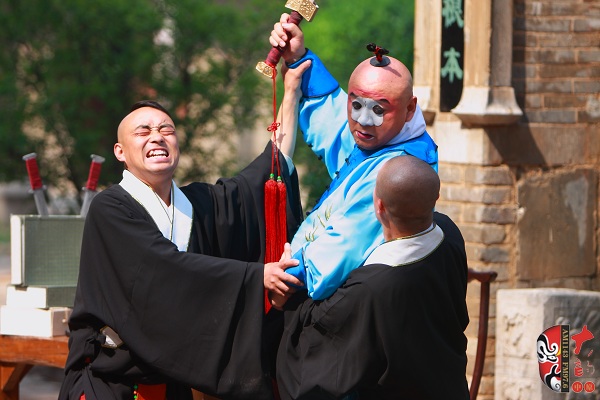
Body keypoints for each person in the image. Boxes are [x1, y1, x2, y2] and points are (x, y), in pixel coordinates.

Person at [58, 99, 307, 400]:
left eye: (166, 130)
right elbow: (162, 268)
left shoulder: (199, 205)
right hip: (111, 383)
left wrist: (290, 92)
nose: (157, 137)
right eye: (143, 131)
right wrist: (256, 277)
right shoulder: (109, 208)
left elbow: (265, 171)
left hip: (172, 384)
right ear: (120, 152)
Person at [268, 14, 439, 301]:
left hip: (342, 303)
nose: (363, 121)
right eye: (356, 104)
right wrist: (298, 59)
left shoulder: (399, 168)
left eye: (378, 109)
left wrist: (287, 277)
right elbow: (333, 120)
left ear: (410, 109)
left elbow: (347, 243)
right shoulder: (383, 135)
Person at [276, 155, 470, 400]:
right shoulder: (450, 233)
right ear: (435, 199)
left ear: (379, 206)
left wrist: (288, 286)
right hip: (450, 387)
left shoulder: (369, 288)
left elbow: (316, 363)